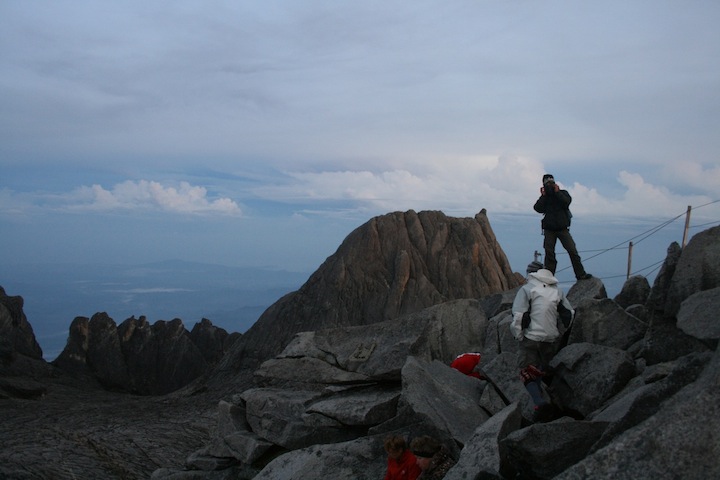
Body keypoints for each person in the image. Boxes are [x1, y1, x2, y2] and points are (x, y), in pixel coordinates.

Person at [510, 268, 574, 422]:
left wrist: (518, 335)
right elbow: (569, 313)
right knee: (540, 369)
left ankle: (539, 403)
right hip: (550, 338)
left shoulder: (527, 289)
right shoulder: (557, 292)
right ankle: (545, 403)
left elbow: (519, 315)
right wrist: (560, 332)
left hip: (531, 337)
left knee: (525, 371)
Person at [533, 173, 592, 280]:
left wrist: (558, 192)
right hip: (549, 230)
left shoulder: (563, 193)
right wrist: (543, 196)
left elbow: (566, 202)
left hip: (562, 228)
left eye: (551, 183)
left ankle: (580, 274)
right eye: (547, 184)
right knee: (549, 253)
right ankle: (549, 277)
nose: (550, 186)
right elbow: (537, 208)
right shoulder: (545, 198)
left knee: (572, 251)